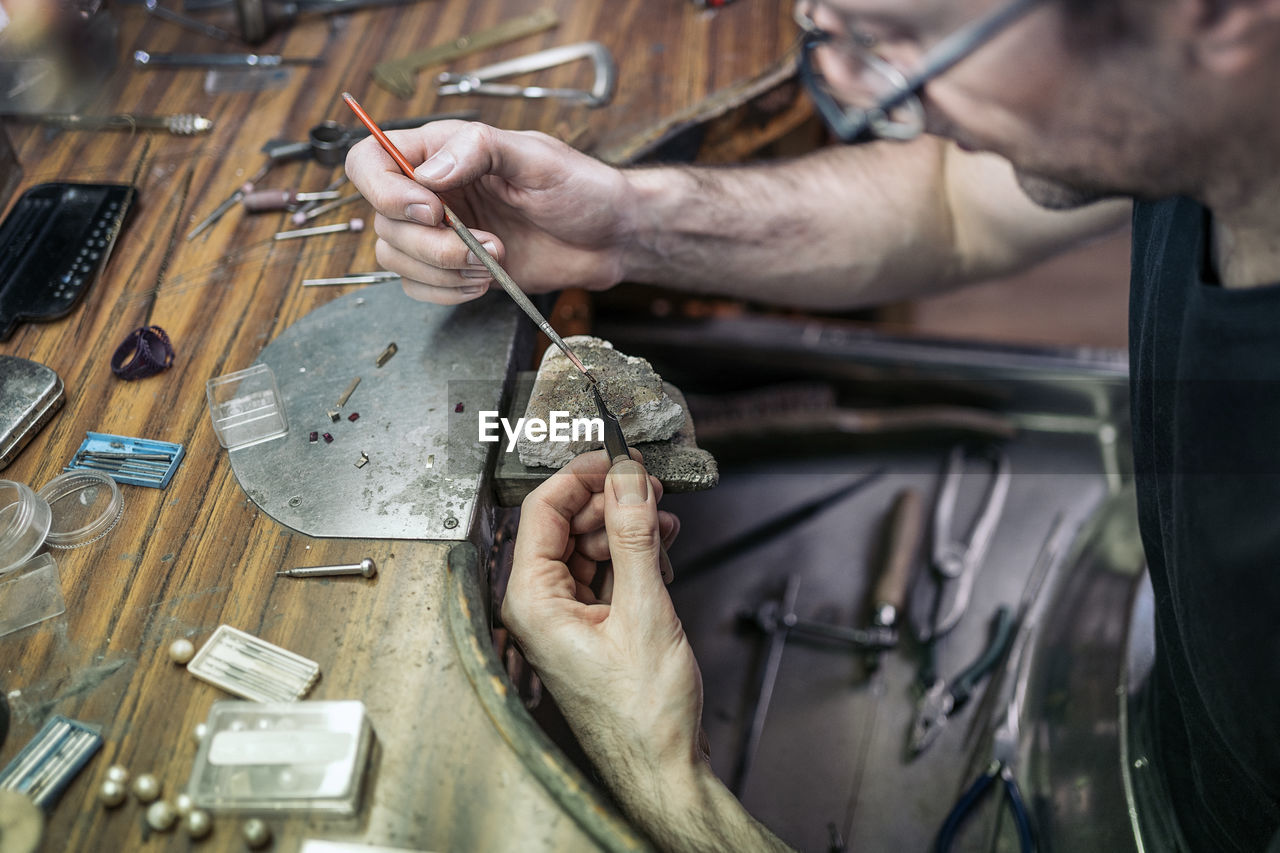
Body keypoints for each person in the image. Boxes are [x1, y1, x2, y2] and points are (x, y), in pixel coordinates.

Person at [346, 0, 1280, 849]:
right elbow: (957, 206)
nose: (846, 83)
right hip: (1149, 674)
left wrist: (663, 781)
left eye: (899, 39)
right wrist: (620, 226)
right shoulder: (1195, 114)